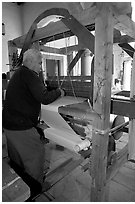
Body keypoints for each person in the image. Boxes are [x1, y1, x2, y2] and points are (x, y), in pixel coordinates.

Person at [2, 48, 65, 199]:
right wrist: (59, 92)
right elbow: (44, 98)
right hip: (21, 127)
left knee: (17, 157)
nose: (41, 66)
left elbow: (36, 92)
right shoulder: (28, 74)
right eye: (39, 63)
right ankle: (35, 188)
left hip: (8, 125)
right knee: (36, 154)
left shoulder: (19, 74)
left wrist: (47, 89)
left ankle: (22, 181)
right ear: (29, 61)